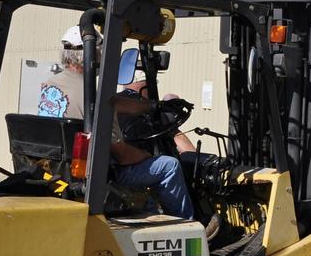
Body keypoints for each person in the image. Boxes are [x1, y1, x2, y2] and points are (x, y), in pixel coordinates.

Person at [38, 26, 194, 220]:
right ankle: (187, 225)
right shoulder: (95, 98)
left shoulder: (49, 86)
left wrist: (152, 106)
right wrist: (146, 155)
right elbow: (123, 156)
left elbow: (115, 104)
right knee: (168, 165)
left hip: (59, 167)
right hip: (102, 174)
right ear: (94, 53)